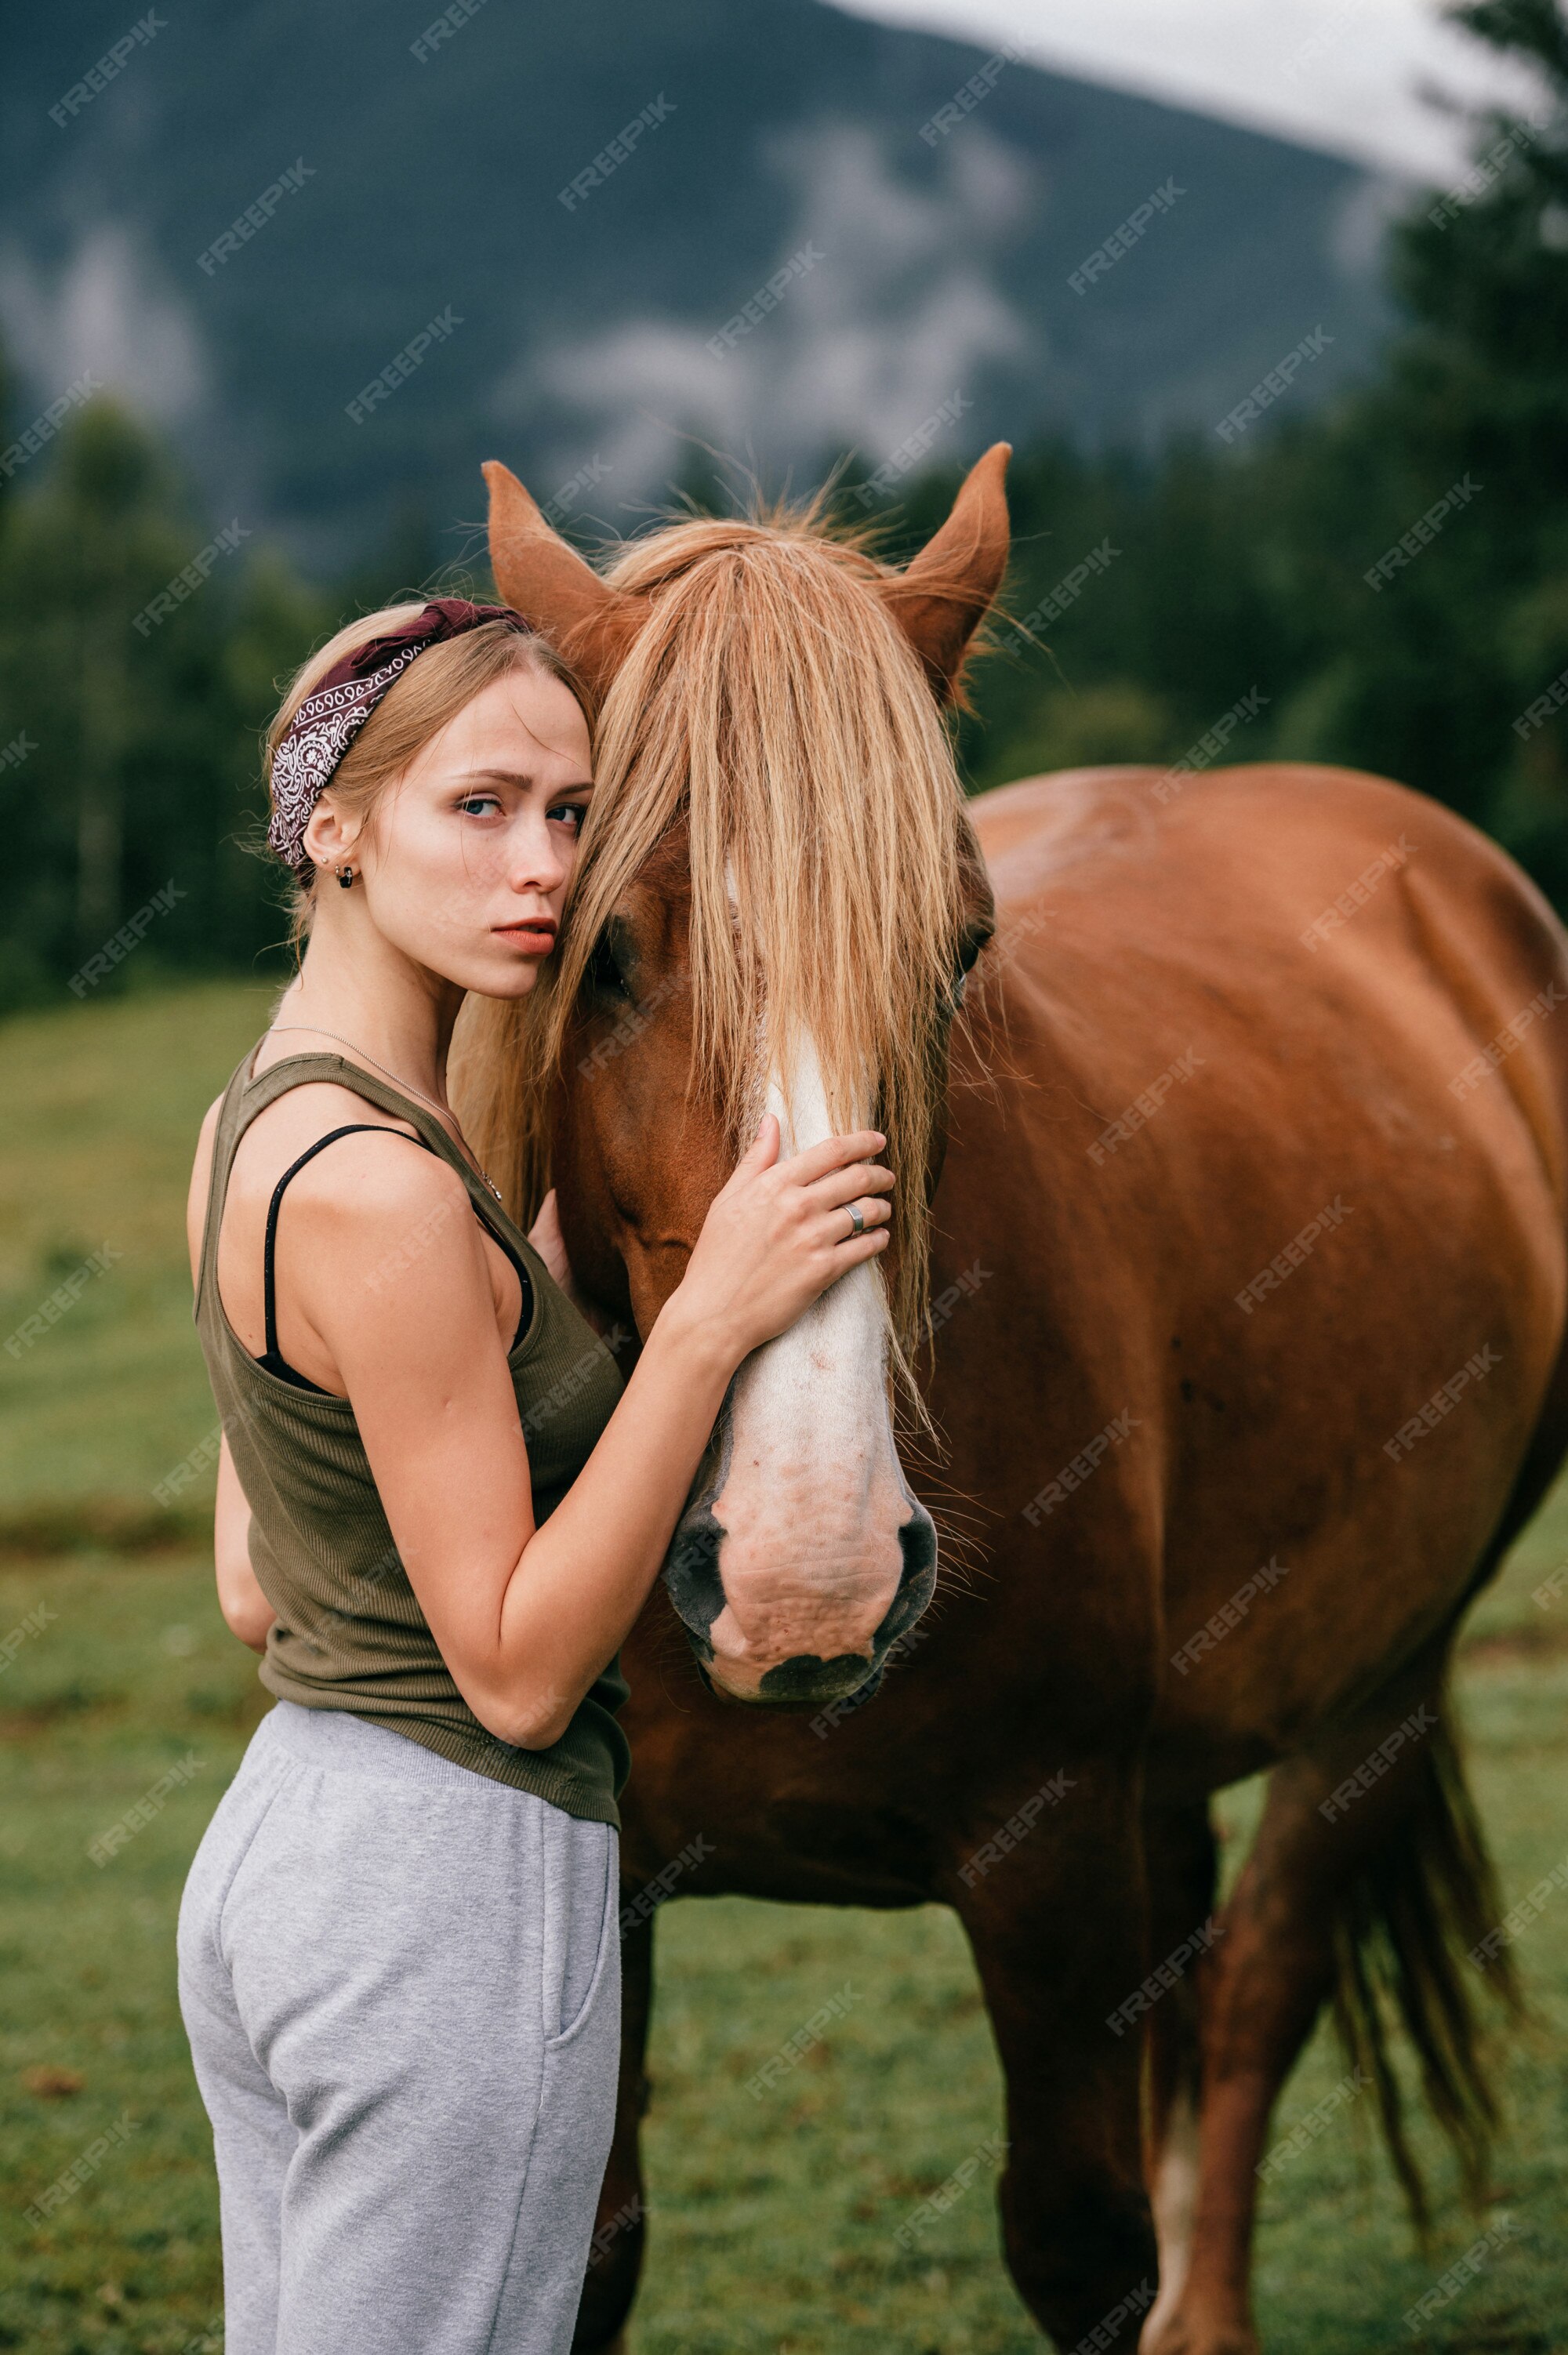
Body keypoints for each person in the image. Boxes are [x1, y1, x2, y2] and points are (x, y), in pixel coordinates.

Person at [176, 597, 892, 2354]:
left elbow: (256, 1576)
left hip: (286, 1847)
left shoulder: (265, 1117)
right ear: (331, 827)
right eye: (478, 807)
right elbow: (511, 1668)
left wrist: (530, 1287)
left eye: (570, 814)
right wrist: (707, 1321)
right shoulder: (391, 1196)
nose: (542, 866)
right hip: (443, 1889)